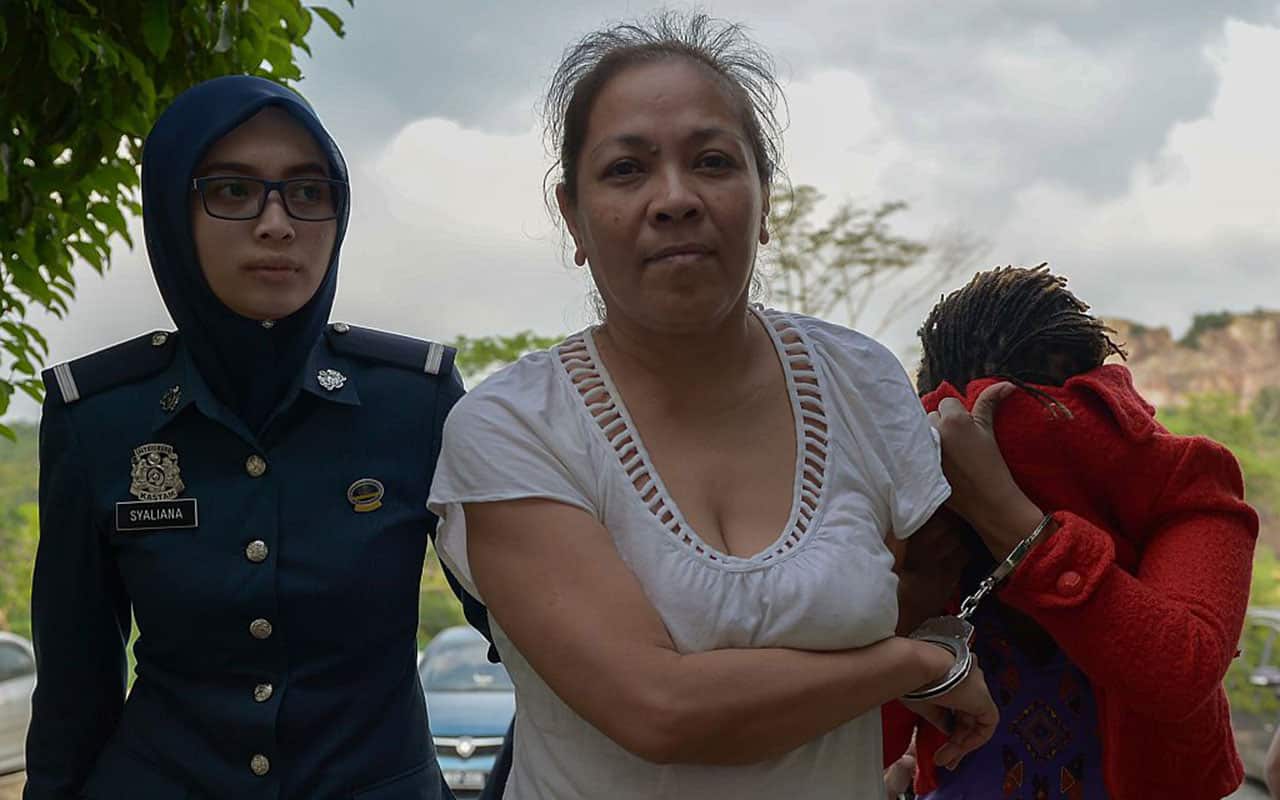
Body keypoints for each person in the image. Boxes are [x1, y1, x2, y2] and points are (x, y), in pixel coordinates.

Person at [427, 13, 1003, 799]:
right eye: (627, 170)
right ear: (574, 218)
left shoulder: (861, 382)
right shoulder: (513, 426)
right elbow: (660, 711)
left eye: (712, 161)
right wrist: (918, 666)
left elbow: (910, 595)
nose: (675, 199)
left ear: (764, 202)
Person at [25, 76, 464, 800]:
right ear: (172, 209)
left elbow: (534, 643)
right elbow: (76, 684)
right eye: (232, 191)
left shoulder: (414, 404)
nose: (277, 223)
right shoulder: (100, 417)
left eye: (308, 192)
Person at [882, 265, 1259, 799]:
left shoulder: (1186, 485)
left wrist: (1003, 513)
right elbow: (847, 745)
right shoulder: (922, 514)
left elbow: (1179, 672)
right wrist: (908, 606)